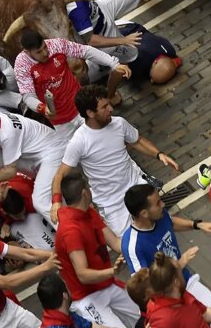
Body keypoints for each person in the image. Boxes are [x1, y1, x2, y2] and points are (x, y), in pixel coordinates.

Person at [52, 85, 178, 234]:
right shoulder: (79, 142)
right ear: (90, 113)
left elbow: (137, 141)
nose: (111, 109)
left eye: (109, 104)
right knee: (128, 241)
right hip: (112, 203)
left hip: (136, 185)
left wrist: (159, 154)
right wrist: (56, 203)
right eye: (104, 107)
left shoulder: (118, 123)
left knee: (162, 225)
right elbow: (60, 175)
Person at [122, 184, 211, 328]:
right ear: (144, 213)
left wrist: (196, 225)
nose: (163, 205)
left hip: (186, 282)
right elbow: (145, 289)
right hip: (168, 303)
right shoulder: (132, 245)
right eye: (158, 203)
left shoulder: (159, 217)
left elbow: (170, 222)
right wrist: (178, 265)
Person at [55, 172, 140, 328]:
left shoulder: (89, 212)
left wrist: (143, 239)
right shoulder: (70, 231)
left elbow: (115, 243)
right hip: (87, 297)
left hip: (107, 284)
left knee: (145, 318)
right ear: (85, 192)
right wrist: (112, 271)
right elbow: (83, 275)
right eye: (88, 187)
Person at [13, 29, 130, 143]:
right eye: (39, 52)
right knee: (81, 153)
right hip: (61, 121)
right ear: (27, 52)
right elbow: (28, 96)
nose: (45, 53)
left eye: (44, 47)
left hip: (81, 106)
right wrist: (42, 108)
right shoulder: (22, 65)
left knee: (105, 138)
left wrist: (113, 63)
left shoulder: (56, 45)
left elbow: (85, 51)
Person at [0, 100, 63, 226]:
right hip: (32, 155)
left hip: (52, 152)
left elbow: (10, 171)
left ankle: (67, 235)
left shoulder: (7, 133)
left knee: (40, 202)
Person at [0, 171, 55, 250]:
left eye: (24, 213)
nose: (23, 218)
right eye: (17, 217)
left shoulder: (32, 199)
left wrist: (7, 222)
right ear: (3, 211)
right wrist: (1, 223)